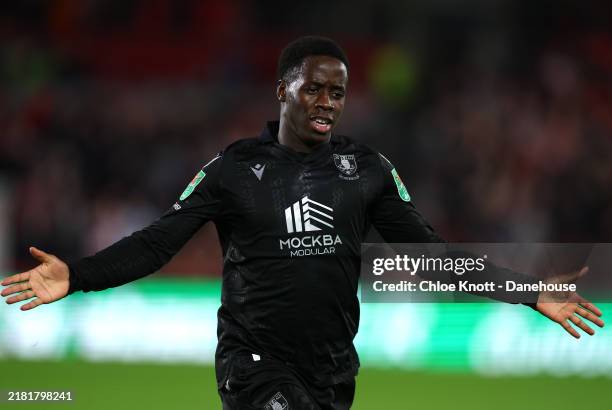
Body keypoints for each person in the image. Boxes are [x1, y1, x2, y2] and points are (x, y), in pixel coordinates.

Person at [1, 36, 605, 410]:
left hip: (332, 371)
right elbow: (158, 243)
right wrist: (77, 276)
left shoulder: (366, 171)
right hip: (254, 366)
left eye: (337, 93)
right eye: (314, 89)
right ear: (282, 90)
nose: (327, 103)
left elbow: (433, 256)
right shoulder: (235, 169)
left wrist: (528, 291)